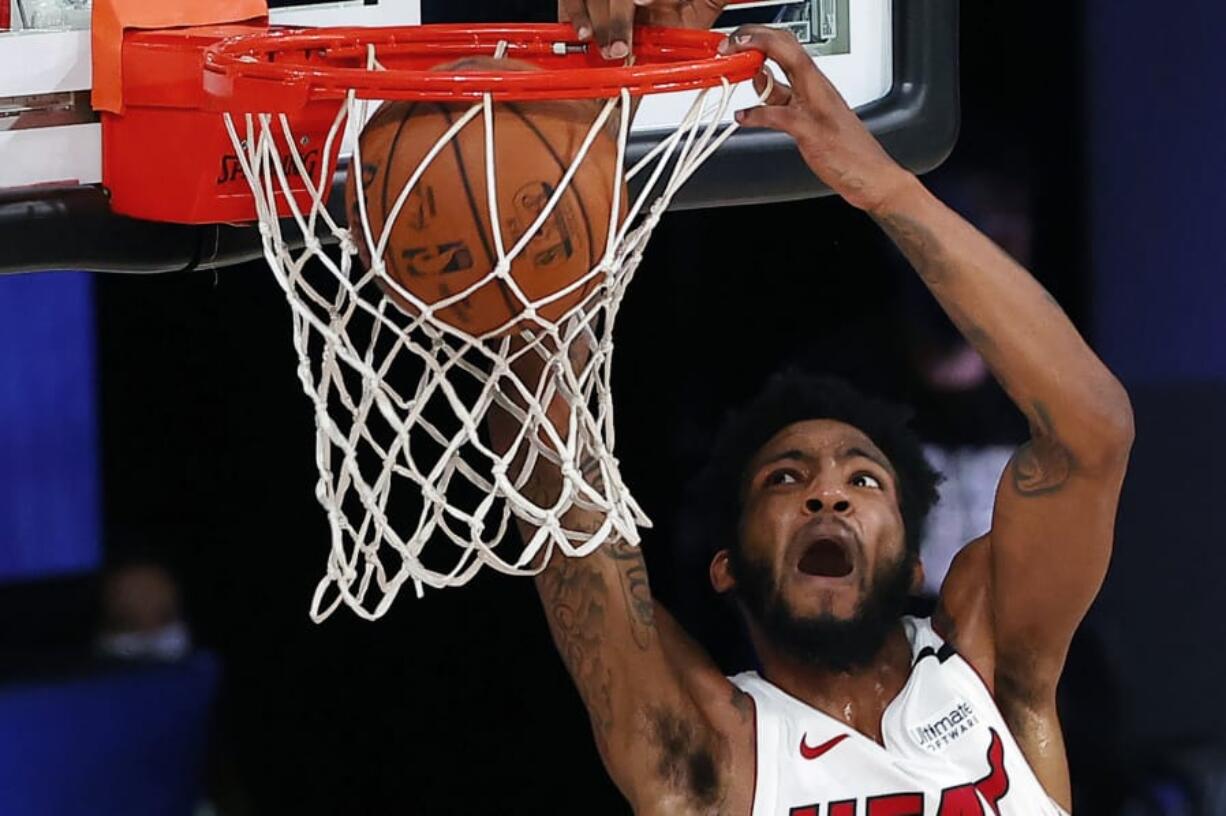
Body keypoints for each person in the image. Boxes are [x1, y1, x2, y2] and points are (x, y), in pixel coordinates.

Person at [490, 4, 1135, 813]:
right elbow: (569, 525)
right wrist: (519, 225)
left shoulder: (992, 672)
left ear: (913, 565)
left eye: (864, 482)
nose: (826, 491)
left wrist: (886, 185)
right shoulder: (711, 752)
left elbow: (1092, 433)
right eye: (784, 479)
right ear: (726, 564)